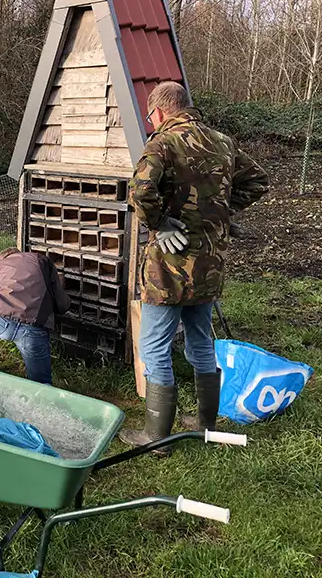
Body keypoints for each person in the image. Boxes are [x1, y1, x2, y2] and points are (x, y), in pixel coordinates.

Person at [120, 82, 269, 453]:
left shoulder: (162, 143)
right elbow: (256, 181)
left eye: (150, 116)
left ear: (159, 111)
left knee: (155, 345)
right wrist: (218, 215)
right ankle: (206, 425)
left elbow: (139, 192)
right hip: (208, 264)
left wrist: (160, 223)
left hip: (168, 267)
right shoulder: (222, 141)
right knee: (201, 340)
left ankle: (157, 438)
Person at [0, 248, 71, 384]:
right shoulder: (42, 261)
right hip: (33, 330)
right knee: (42, 385)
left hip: (1, 323)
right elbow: (62, 303)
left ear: (2, 258)